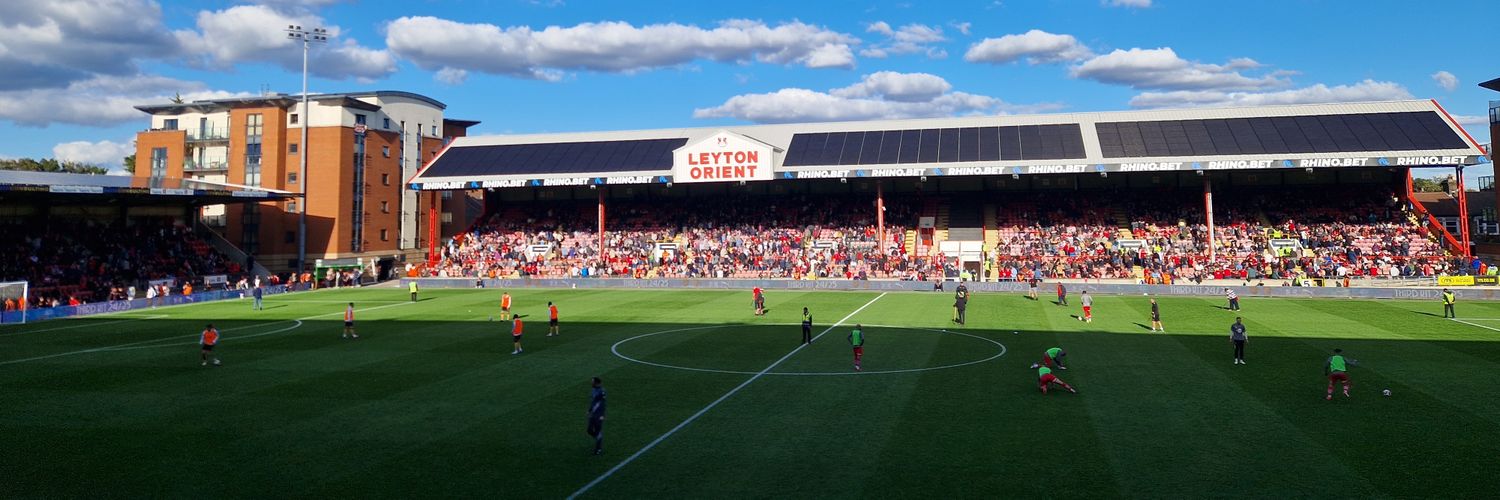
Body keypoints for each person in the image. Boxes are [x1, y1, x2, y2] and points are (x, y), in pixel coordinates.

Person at [587, 377, 607, 455]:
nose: (591, 383)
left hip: (599, 415)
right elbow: (593, 401)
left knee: (598, 431)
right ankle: (598, 438)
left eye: (592, 382)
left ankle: (598, 449)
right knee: (589, 430)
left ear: (596, 383)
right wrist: (589, 410)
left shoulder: (602, 391)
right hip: (593, 413)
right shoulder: (593, 390)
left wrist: (602, 415)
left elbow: (603, 404)